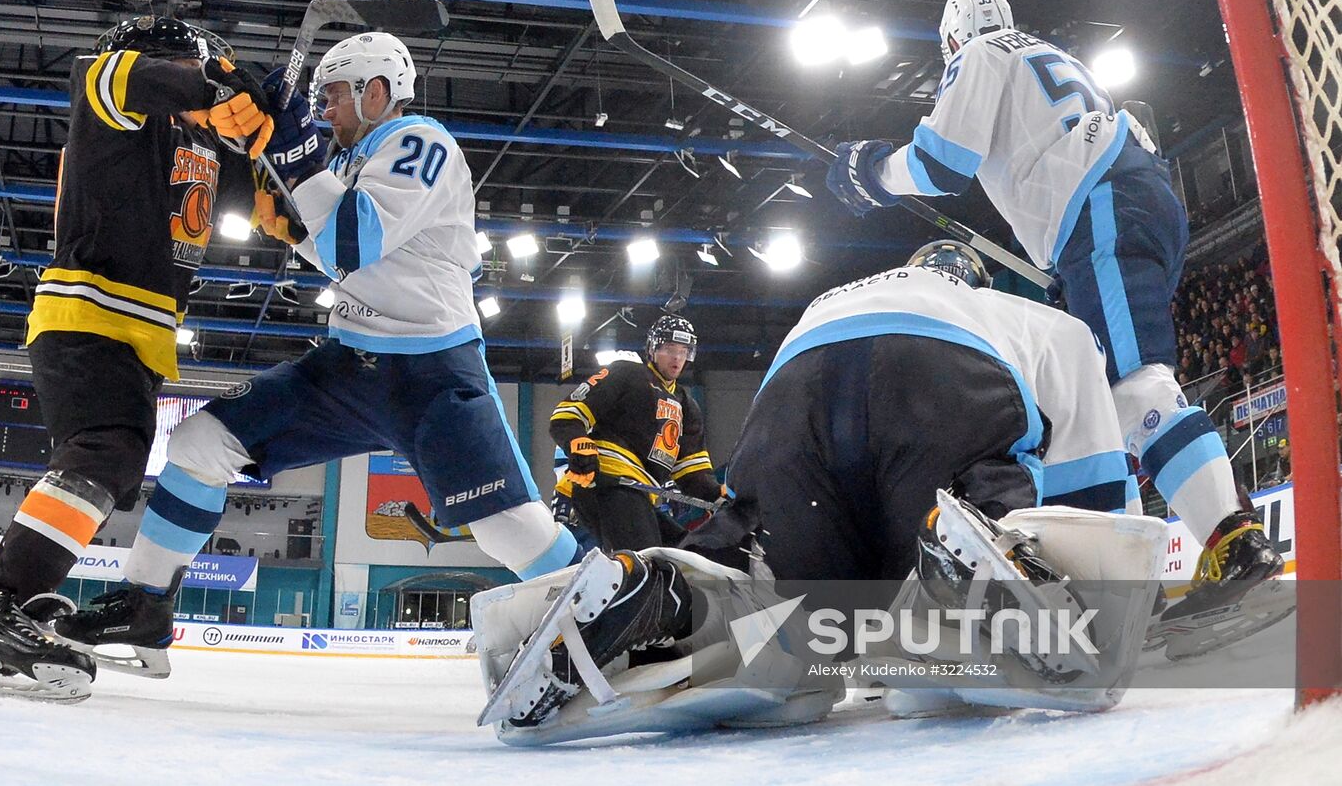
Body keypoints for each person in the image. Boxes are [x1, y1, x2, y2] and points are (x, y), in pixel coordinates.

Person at [473, 243, 1165, 742]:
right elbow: (1094, 485)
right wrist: (1113, 596)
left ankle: (667, 592)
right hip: (937, 377)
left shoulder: (831, 300)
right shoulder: (1005, 310)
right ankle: (961, 545)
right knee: (952, 561)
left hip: (795, 394)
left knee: (781, 630)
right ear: (971, 276)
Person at [49, 31, 579, 676]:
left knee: (507, 529)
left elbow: (353, 245)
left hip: (431, 371)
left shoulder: (420, 141)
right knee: (198, 447)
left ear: (377, 91)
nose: (324, 110)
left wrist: (298, 162)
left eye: (334, 95)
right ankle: (145, 603)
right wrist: (296, 220)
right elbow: (336, 252)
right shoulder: (358, 157)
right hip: (349, 362)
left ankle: (595, 613)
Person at [823, 0, 1281, 629]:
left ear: (952, 39)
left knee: (1133, 388)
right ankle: (1146, 570)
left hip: (1100, 206)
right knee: (1097, 390)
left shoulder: (978, 56)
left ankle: (1234, 541)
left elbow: (940, 163)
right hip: (1132, 198)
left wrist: (870, 174)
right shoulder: (1046, 52)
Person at [0, 16, 273, 700]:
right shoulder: (115, 98)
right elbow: (119, 76)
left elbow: (263, 200)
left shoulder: (199, 142)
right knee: (105, 453)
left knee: (104, 465)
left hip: (134, 335)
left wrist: (275, 129)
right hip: (90, 313)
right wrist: (215, 80)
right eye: (194, 69)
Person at [548, 315, 726, 553]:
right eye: (670, 349)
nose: (677, 358)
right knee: (645, 565)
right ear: (652, 349)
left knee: (684, 557)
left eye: (683, 351)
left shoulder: (687, 405)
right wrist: (579, 443)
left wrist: (718, 494)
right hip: (608, 483)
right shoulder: (627, 373)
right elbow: (568, 414)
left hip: (640, 494)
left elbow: (692, 472)